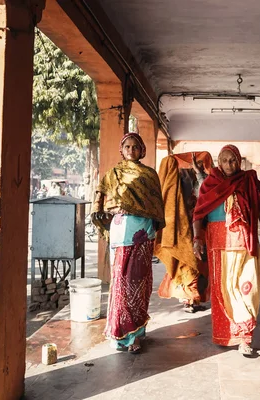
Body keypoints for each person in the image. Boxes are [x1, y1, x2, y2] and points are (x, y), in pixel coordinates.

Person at [192, 145, 260, 357]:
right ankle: (231, 334)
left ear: (239, 161)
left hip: (247, 242)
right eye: (225, 160)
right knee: (225, 289)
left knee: (248, 287)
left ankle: (246, 337)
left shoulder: (249, 180)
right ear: (219, 162)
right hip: (219, 243)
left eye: (233, 160)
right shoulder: (210, 184)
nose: (229, 165)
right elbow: (198, 214)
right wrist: (196, 239)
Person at [91, 132, 165, 354]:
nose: (131, 150)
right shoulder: (113, 174)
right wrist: (112, 209)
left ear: (142, 150)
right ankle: (121, 335)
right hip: (120, 234)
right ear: (121, 150)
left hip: (142, 235)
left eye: (135, 147)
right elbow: (101, 200)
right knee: (120, 284)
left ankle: (136, 333)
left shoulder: (150, 175)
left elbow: (156, 206)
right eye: (127, 147)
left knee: (138, 284)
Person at [155, 151, 213, 313]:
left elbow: (205, 197)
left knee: (197, 265)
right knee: (189, 264)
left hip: (197, 229)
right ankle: (189, 300)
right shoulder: (181, 182)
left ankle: (193, 299)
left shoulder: (195, 180)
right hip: (186, 230)